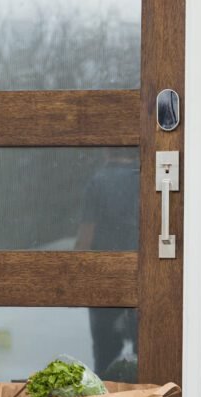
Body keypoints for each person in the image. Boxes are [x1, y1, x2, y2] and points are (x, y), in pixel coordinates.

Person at [75, 151, 139, 376]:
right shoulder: (143, 178)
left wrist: (73, 270)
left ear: (104, 150)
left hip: (105, 277)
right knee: (147, 358)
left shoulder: (98, 182)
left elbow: (86, 237)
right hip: (139, 275)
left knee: (105, 361)